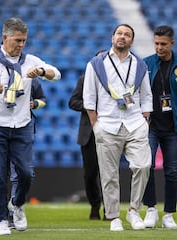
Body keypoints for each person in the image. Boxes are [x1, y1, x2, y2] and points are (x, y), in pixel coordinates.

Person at [0, 17, 61, 236]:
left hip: (22, 124)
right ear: (5, 37)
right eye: (17, 40)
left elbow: (56, 75)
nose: (21, 45)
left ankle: (16, 204)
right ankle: (0, 220)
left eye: (24, 41)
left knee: (26, 173)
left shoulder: (30, 61)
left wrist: (40, 71)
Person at [83, 23, 153, 231]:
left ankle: (133, 210)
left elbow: (147, 96)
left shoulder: (140, 65)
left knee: (142, 166)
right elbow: (89, 98)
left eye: (127, 34)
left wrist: (145, 122)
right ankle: (113, 217)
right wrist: (96, 126)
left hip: (135, 124)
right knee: (109, 175)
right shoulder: (96, 64)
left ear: (132, 40)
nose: (122, 37)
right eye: (119, 33)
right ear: (112, 37)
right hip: (107, 125)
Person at [142, 25, 177, 229]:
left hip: (174, 128)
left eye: (163, 44)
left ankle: (168, 214)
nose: (159, 47)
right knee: (146, 167)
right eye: (156, 43)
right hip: (150, 127)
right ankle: (150, 209)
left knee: (171, 172)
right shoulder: (145, 64)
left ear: (172, 43)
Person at [0, 77, 47, 228]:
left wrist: (34, 104)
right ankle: (2, 218)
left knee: (20, 174)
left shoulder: (30, 79)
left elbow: (43, 99)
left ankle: (15, 210)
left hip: (20, 129)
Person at [68, 50, 106, 220]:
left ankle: (109, 209)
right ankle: (94, 206)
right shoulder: (84, 80)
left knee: (109, 173)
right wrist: (90, 106)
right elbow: (73, 102)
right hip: (88, 135)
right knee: (90, 174)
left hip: (110, 132)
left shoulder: (117, 81)